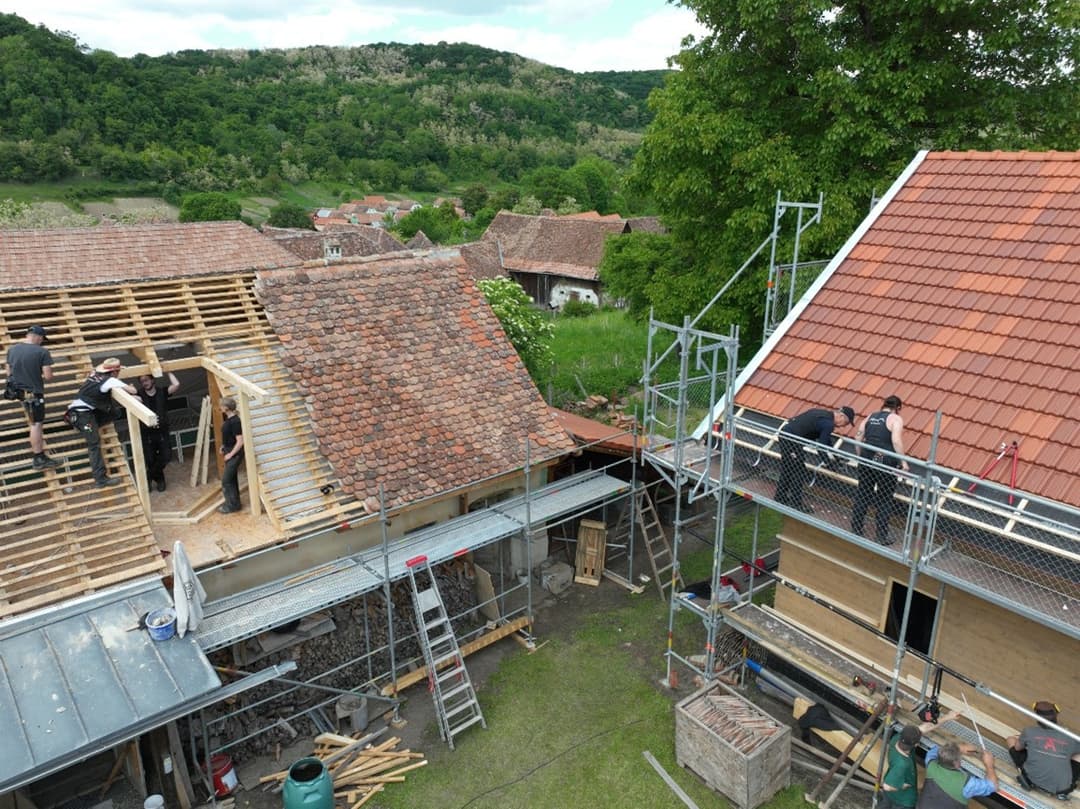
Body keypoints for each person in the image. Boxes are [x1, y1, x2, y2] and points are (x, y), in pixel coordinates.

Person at [66, 358, 137, 487]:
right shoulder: (110, 380)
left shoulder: (94, 375)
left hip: (81, 413)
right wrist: (131, 388)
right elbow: (133, 391)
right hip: (83, 418)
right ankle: (100, 479)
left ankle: (83, 427)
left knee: (115, 413)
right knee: (94, 443)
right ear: (115, 372)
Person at [774, 405, 856, 512]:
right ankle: (796, 503)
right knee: (799, 471)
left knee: (788, 469)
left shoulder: (821, 414)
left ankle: (780, 497)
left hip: (786, 434)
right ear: (841, 416)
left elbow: (826, 441)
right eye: (845, 423)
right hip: (792, 440)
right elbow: (821, 447)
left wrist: (836, 456)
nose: (843, 426)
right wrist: (828, 464)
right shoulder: (828, 424)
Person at [852, 395, 909, 545]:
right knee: (884, 498)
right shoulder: (895, 419)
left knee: (863, 493)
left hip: (867, 459)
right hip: (885, 462)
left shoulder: (871, 416)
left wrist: (860, 456)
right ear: (898, 408)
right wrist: (904, 462)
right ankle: (881, 536)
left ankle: (856, 528)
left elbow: (858, 437)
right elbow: (896, 441)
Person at [4, 325, 63, 470]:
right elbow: (48, 376)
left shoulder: (12, 350)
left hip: (21, 393)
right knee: (36, 424)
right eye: (42, 339)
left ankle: (39, 457)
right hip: (34, 394)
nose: (42, 342)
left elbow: (8, 372)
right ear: (37, 336)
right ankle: (39, 458)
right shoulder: (42, 352)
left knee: (34, 423)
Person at [879, 710, 961, 809]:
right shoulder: (902, 764)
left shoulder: (896, 739)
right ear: (916, 744)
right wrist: (902, 785)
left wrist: (948, 717)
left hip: (889, 796)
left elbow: (924, 727)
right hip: (904, 801)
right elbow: (887, 786)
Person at [1006, 701, 1080, 799]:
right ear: (1056, 715)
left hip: (1031, 778)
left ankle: (1028, 780)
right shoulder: (1070, 737)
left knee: (1010, 739)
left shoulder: (1029, 731)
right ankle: (1062, 793)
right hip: (1062, 787)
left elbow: (1017, 748)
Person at [916, 741, 997, 809]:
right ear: (956, 764)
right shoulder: (967, 784)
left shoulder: (930, 764)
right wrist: (989, 764)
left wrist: (958, 748)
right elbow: (992, 786)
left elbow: (936, 749)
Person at [137, 372, 180, 492]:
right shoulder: (139, 394)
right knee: (150, 459)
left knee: (166, 456)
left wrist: (168, 371)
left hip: (162, 431)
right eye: (142, 381)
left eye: (146, 380)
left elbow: (176, 384)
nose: (144, 383)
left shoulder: (162, 391)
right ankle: (160, 480)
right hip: (147, 433)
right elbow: (127, 396)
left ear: (152, 380)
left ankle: (148, 476)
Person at [219, 396, 244, 514]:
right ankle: (235, 504)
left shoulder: (235, 421)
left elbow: (240, 441)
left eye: (222, 405)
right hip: (229, 451)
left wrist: (230, 455)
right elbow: (229, 437)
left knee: (226, 481)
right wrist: (223, 446)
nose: (220, 407)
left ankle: (231, 505)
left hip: (235, 454)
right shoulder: (229, 419)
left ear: (227, 408)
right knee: (232, 479)